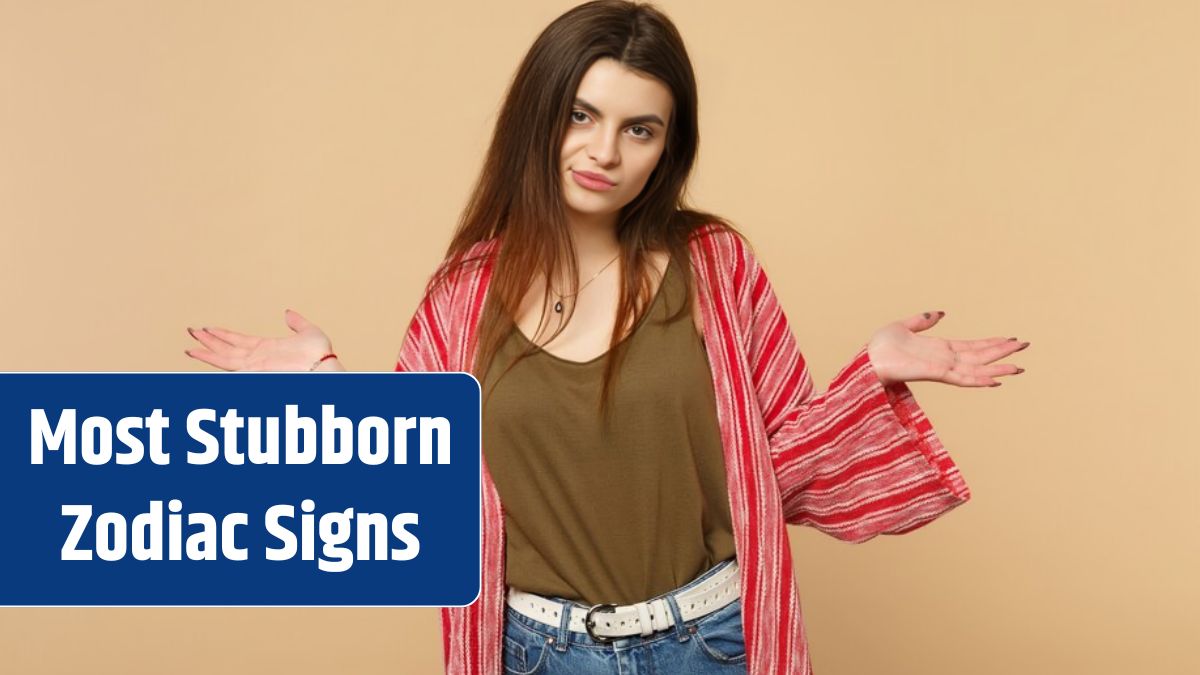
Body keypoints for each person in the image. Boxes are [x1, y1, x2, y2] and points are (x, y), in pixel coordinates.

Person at [186, 1, 1030, 673]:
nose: (604, 152)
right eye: (582, 115)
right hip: (535, 651)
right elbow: (416, 475)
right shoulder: (462, 294)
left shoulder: (716, 264)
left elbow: (773, 465)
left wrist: (869, 372)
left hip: (711, 645)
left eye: (640, 128)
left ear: (667, 149)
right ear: (539, 115)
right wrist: (327, 380)